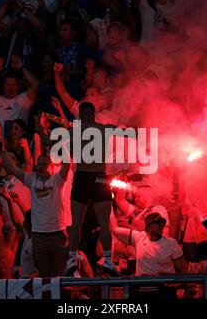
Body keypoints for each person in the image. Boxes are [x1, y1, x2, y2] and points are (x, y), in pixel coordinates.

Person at [35, 102, 134, 276]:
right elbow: (131, 134)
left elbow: (45, 140)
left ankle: (73, 260)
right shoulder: (102, 129)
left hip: (84, 177)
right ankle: (106, 261)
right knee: (101, 223)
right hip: (97, 177)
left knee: (78, 223)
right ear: (92, 114)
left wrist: (38, 125)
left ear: (81, 115)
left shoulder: (74, 131)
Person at [3, 150, 70, 278]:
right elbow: (12, 168)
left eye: (44, 164)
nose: (40, 166)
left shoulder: (57, 179)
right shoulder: (31, 179)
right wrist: (2, 150)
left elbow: (67, 164)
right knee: (45, 276)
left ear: (51, 166)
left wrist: (64, 145)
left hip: (57, 234)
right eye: (39, 164)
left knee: (60, 275)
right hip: (38, 235)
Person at [109, 210, 187, 276]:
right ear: (148, 227)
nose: (161, 225)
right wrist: (108, 206)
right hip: (143, 287)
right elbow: (115, 229)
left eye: (162, 223)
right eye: (157, 223)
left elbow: (183, 268)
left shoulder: (171, 243)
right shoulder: (138, 237)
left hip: (163, 288)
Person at [0, 55, 38, 138]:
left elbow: (36, 85)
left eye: (13, 85)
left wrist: (22, 68)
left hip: (20, 145)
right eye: (7, 85)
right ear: (2, 86)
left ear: (18, 86)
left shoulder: (24, 99)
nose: (10, 88)